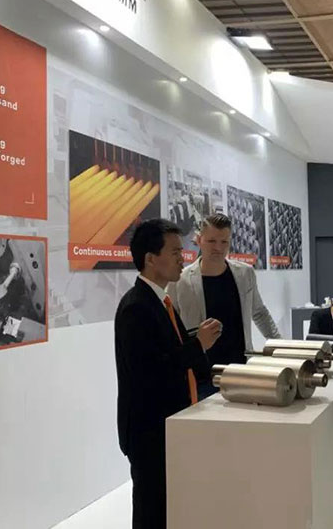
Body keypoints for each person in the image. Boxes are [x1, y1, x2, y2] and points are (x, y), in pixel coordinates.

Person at [115, 219, 222, 529]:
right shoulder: (136, 307)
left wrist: (197, 342)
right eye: (175, 252)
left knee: (168, 508)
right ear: (151, 258)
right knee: (151, 512)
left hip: (167, 425)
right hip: (149, 431)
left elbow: (169, 349)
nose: (182, 259)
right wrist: (198, 345)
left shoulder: (160, 300)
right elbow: (150, 371)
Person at [167, 213, 281, 398]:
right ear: (199, 240)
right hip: (202, 374)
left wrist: (280, 346)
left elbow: (259, 313)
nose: (218, 248)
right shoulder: (180, 280)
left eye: (224, 242)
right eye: (211, 241)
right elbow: (172, 326)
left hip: (240, 369)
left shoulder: (245, 274)